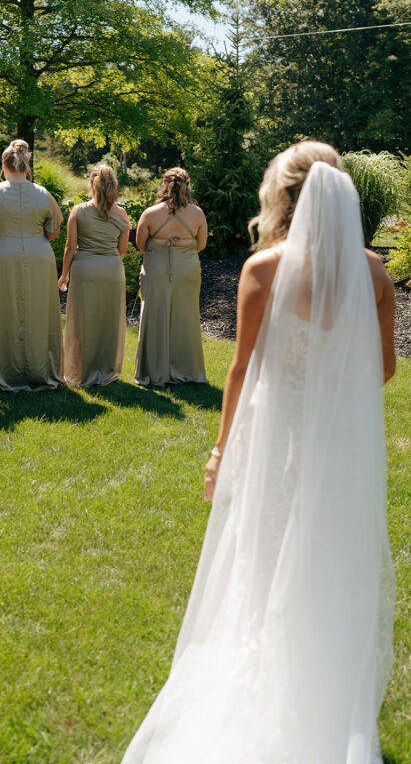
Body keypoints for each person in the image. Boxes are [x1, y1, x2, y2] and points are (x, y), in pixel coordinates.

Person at [121, 141, 396, 764]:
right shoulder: (372, 273)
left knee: (261, 569)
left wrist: (222, 451)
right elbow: (382, 368)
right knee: (324, 569)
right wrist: (328, 395)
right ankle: (318, 703)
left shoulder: (264, 271)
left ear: (283, 195)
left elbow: (241, 370)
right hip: (335, 454)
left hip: (276, 445)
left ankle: (260, 694)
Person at [0, 139, 63, 391]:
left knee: (1, 311)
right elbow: (54, 230)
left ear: (4, 165)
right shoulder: (43, 193)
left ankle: (2, 369)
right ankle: (39, 369)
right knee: (38, 311)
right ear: (26, 164)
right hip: (38, 254)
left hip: (0, 254)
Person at [134, 167, 207, 386]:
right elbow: (201, 245)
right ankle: (186, 370)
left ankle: (154, 372)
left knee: (154, 315)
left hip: (156, 268)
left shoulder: (150, 213)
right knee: (186, 318)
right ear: (187, 185)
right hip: (187, 270)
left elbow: (140, 245)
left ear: (164, 185)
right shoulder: (197, 213)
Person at [59, 164, 130, 386]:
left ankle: (79, 371)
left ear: (91, 185)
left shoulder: (78, 211)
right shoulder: (122, 214)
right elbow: (122, 250)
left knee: (81, 322)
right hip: (112, 270)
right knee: (108, 322)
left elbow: (70, 248)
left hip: (85, 270)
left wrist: (64, 276)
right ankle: (106, 370)